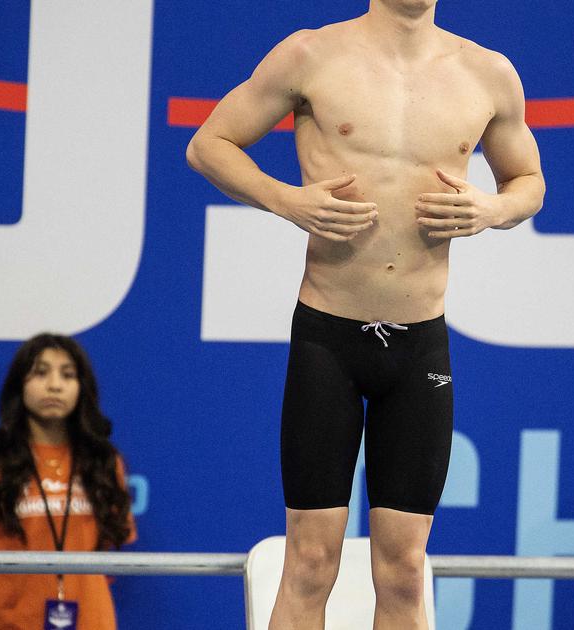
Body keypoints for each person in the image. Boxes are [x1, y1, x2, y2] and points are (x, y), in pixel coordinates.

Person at [186, 0, 544, 627]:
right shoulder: (310, 55)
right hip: (329, 337)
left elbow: (529, 181)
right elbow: (209, 144)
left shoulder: (489, 73)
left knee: (404, 571)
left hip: (420, 349)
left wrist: (493, 210)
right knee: (310, 562)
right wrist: (286, 200)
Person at [0, 333, 136, 630]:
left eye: (68, 375)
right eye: (41, 372)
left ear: (82, 388)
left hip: (91, 621)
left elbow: (108, 550)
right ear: (19, 384)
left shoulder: (104, 463)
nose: (55, 385)